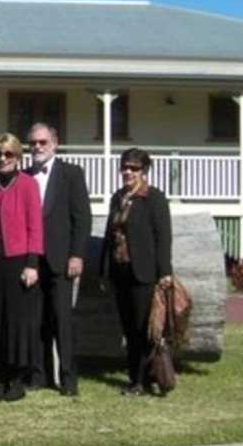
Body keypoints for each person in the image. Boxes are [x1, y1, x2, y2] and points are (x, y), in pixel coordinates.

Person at [0, 132, 43, 402]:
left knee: (15, 323)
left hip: (18, 262)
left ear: (18, 157)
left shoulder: (27, 184)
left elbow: (35, 225)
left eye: (8, 154)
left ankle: (16, 381)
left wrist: (32, 264)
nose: (3, 159)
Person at [26, 123, 91, 396]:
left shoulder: (71, 174)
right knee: (37, 320)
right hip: (32, 260)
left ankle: (68, 378)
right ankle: (39, 375)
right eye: (33, 143)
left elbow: (82, 217)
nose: (37, 147)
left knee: (63, 321)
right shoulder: (25, 176)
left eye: (42, 142)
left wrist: (77, 254)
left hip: (61, 259)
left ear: (54, 143)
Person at [102, 148, 173, 396]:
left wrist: (165, 272)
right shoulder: (117, 197)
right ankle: (136, 378)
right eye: (124, 167)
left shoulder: (153, 198)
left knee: (146, 328)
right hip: (120, 271)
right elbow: (109, 236)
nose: (128, 172)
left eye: (133, 168)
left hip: (144, 273)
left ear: (144, 171)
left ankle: (146, 378)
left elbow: (163, 237)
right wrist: (105, 270)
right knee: (129, 328)